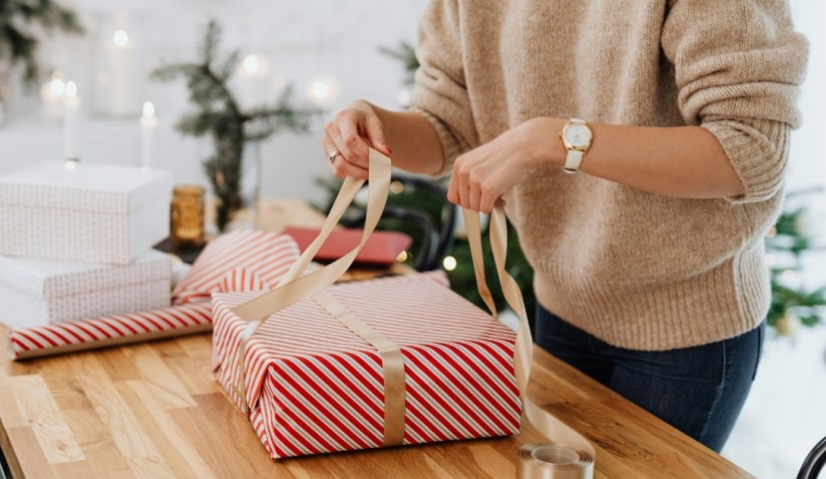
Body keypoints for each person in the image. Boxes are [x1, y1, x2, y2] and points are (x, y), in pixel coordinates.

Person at [321, 0, 808, 452]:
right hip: (559, 306)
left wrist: (552, 140)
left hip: (687, 336)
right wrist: (376, 131)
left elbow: (750, 150)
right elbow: (447, 122)